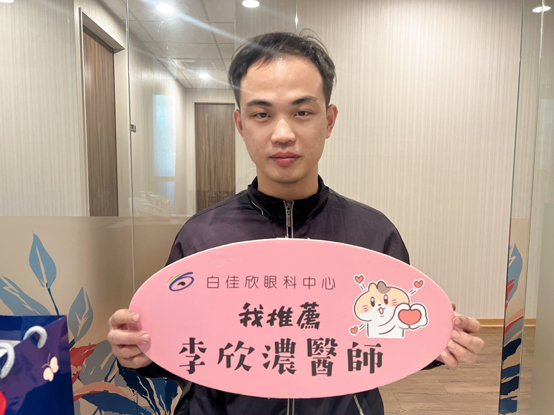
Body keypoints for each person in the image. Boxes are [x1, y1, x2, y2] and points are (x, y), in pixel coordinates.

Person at [108, 31, 485, 415]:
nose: (283, 134)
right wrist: (139, 351)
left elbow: (389, 339)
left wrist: (439, 342)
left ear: (329, 120)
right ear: (240, 124)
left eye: (302, 112)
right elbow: (179, 345)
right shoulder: (202, 235)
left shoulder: (373, 233)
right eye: (262, 114)